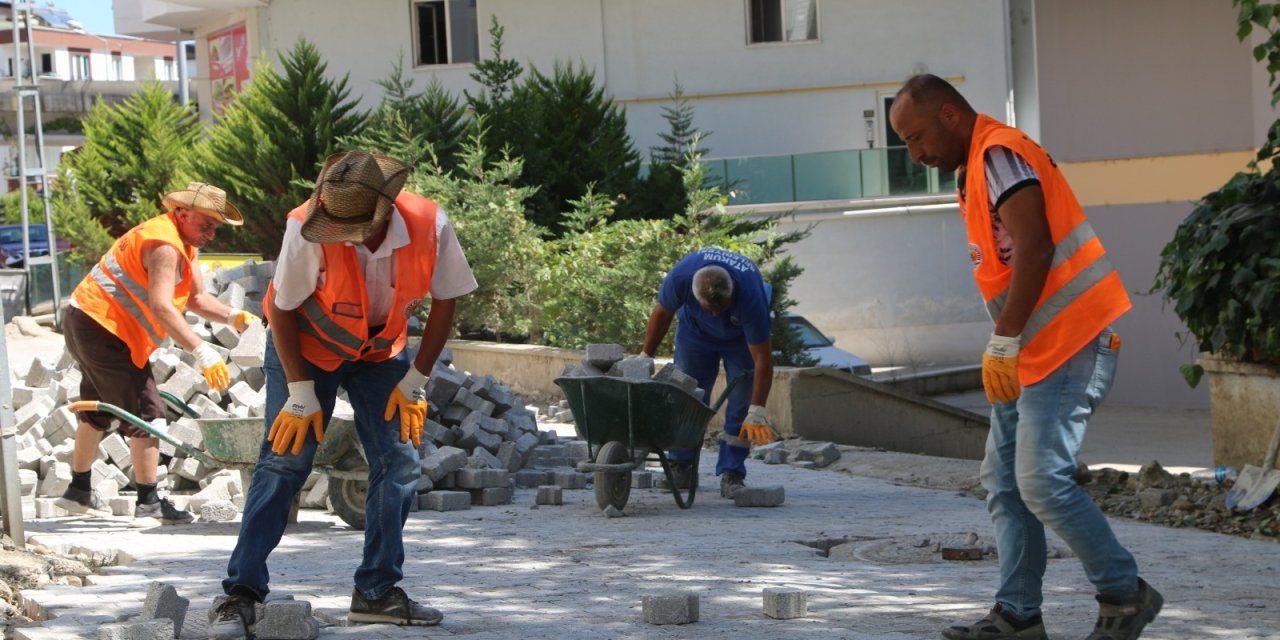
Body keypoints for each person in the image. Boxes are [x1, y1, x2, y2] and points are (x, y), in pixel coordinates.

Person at [888, 74, 1161, 640]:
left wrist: (1005, 338)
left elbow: (1035, 246)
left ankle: (1125, 594)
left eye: (916, 138)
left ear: (950, 116)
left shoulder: (999, 155)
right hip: (1031, 352)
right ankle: (1017, 616)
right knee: (1004, 484)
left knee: (1040, 484)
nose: (914, 155)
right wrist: (1011, 343)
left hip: (1069, 343)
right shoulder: (974, 168)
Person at [209, 150, 477, 639]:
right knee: (284, 461)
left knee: (398, 462)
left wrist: (415, 379)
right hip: (306, 348)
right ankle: (240, 594)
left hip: (379, 351)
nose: (341, 234)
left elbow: (447, 298)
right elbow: (283, 310)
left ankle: (376, 593)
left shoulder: (429, 223)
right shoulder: (304, 225)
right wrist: (299, 392)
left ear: (384, 210)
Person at [57, 182, 254, 527]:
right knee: (147, 412)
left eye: (214, 227)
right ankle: (148, 503)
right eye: (205, 224)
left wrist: (232, 316)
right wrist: (201, 350)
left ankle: (78, 492)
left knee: (98, 407)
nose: (210, 233)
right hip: (103, 327)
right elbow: (163, 307)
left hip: (87, 320)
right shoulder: (165, 245)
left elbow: (195, 299)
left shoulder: (183, 243)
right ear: (182, 213)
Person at [640, 248, 775, 499]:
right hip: (695, 335)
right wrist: (645, 355)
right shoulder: (681, 278)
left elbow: (763, 361)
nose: (714, 313)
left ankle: (732, 472)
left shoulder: (750, 297)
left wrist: (757, 408)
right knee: (687, 396)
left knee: (740, 404)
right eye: (708, 308)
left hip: (739, 341)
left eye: (720, 308)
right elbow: (662, 314)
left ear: (731, 292)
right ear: (693, 293)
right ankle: (681, 466)